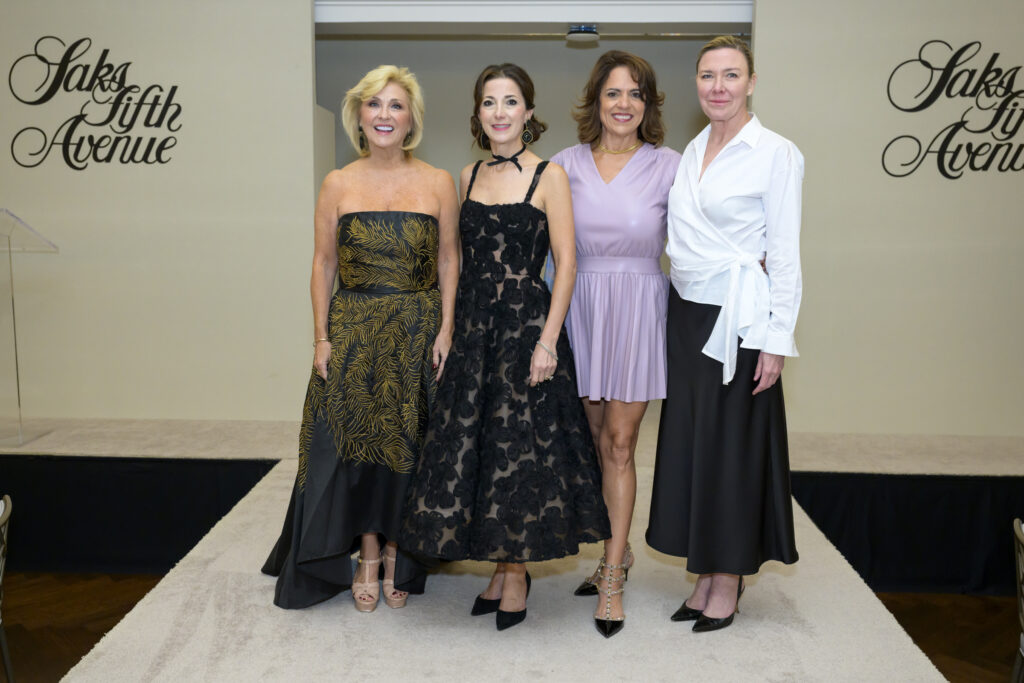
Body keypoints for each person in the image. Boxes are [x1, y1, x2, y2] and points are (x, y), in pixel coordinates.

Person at [400, 63, 610, 632]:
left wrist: (549, 341)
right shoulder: (466, 175)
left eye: (510, 101)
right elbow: (455, 260)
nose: (500, 112)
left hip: (525, 328)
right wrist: (446, 330)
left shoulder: (550, 175)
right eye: (489, 102)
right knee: (482, 449)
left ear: (528, 112)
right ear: (478, 113)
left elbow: (567, 264)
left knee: (520, 449)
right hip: (474, 330)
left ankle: (516, 575)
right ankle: (499, 568)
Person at [262, 65, 459, 612]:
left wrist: (447, 328)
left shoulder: (439, 181)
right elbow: (323, 263)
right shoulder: (338, 182)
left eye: (396, 105)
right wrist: (321, 336)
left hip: (417, 329)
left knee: (409, 445)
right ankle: (368, 554)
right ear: (359, 116)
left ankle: (399, 550)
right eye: (374, 105)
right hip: (353, 327)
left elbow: (449, 260)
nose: (384, 115)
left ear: (412, 118)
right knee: (352, 445)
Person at [646, 36, 803, 633]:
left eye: (731, 75)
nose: (718, 86)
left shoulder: (776, 153)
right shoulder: (692, 150)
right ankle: (706, 570)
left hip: (740, 319)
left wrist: (776, 339)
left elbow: (783, 254)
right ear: (697, 83)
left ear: (751, 82)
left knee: (733, 450)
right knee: (697, 445)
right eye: (708, 75)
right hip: (688, 314)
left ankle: (728, 578)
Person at [548, 50, 681, 638]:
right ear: (595, 100)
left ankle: (611, 576)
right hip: (579, 307)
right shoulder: (564, 165)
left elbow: (703, 235)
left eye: (635, 93)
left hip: (638, 308)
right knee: (593, 439)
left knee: (622, 444)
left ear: (648, 104)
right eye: (613, 93)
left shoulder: (671, 166)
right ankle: (615, 547)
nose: (624, 104)